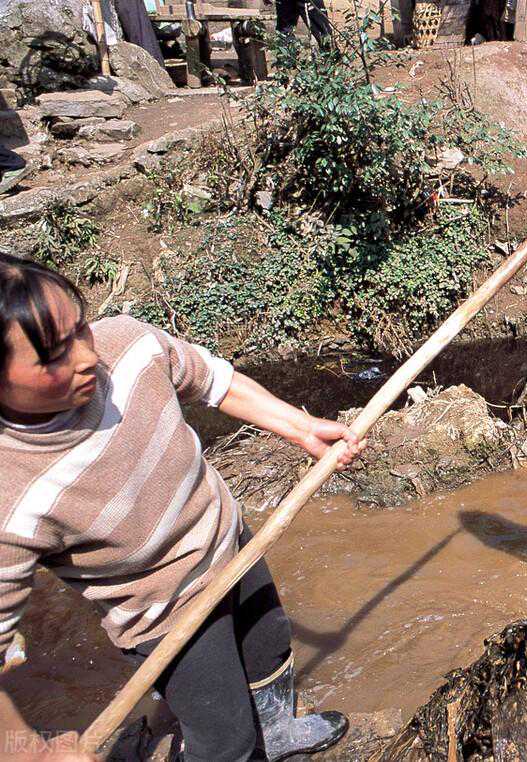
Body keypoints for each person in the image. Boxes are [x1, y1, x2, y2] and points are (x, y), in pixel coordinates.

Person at [0, 254, 366, 761]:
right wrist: (31, 754)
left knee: (270, 649)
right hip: (165, 615)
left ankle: (277, 734)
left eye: (80, 328)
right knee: (223, 736)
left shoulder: (129, 347)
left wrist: (303, 428)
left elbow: (216, 382)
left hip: (231, 542)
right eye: (53, 356)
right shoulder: (11, 500)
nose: (86, 357)